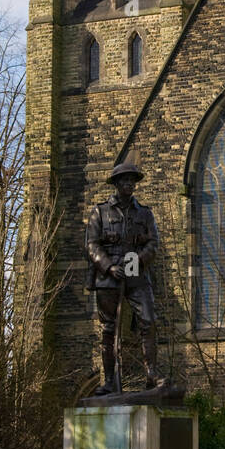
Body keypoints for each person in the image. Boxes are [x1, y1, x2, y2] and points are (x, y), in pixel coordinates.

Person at [85, 161, 161, 393]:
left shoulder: (144, 213)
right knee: (110, 329)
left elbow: (153, 244)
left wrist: (137, 260)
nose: (129, 184)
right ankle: (109, 381)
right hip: (109, 276)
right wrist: (108, 267)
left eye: (132, 180)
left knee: (148, 320)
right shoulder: (100, 211)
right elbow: (91, 245)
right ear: (117, 184)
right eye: (125, 180)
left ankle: (152, 375)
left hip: (136, 273)